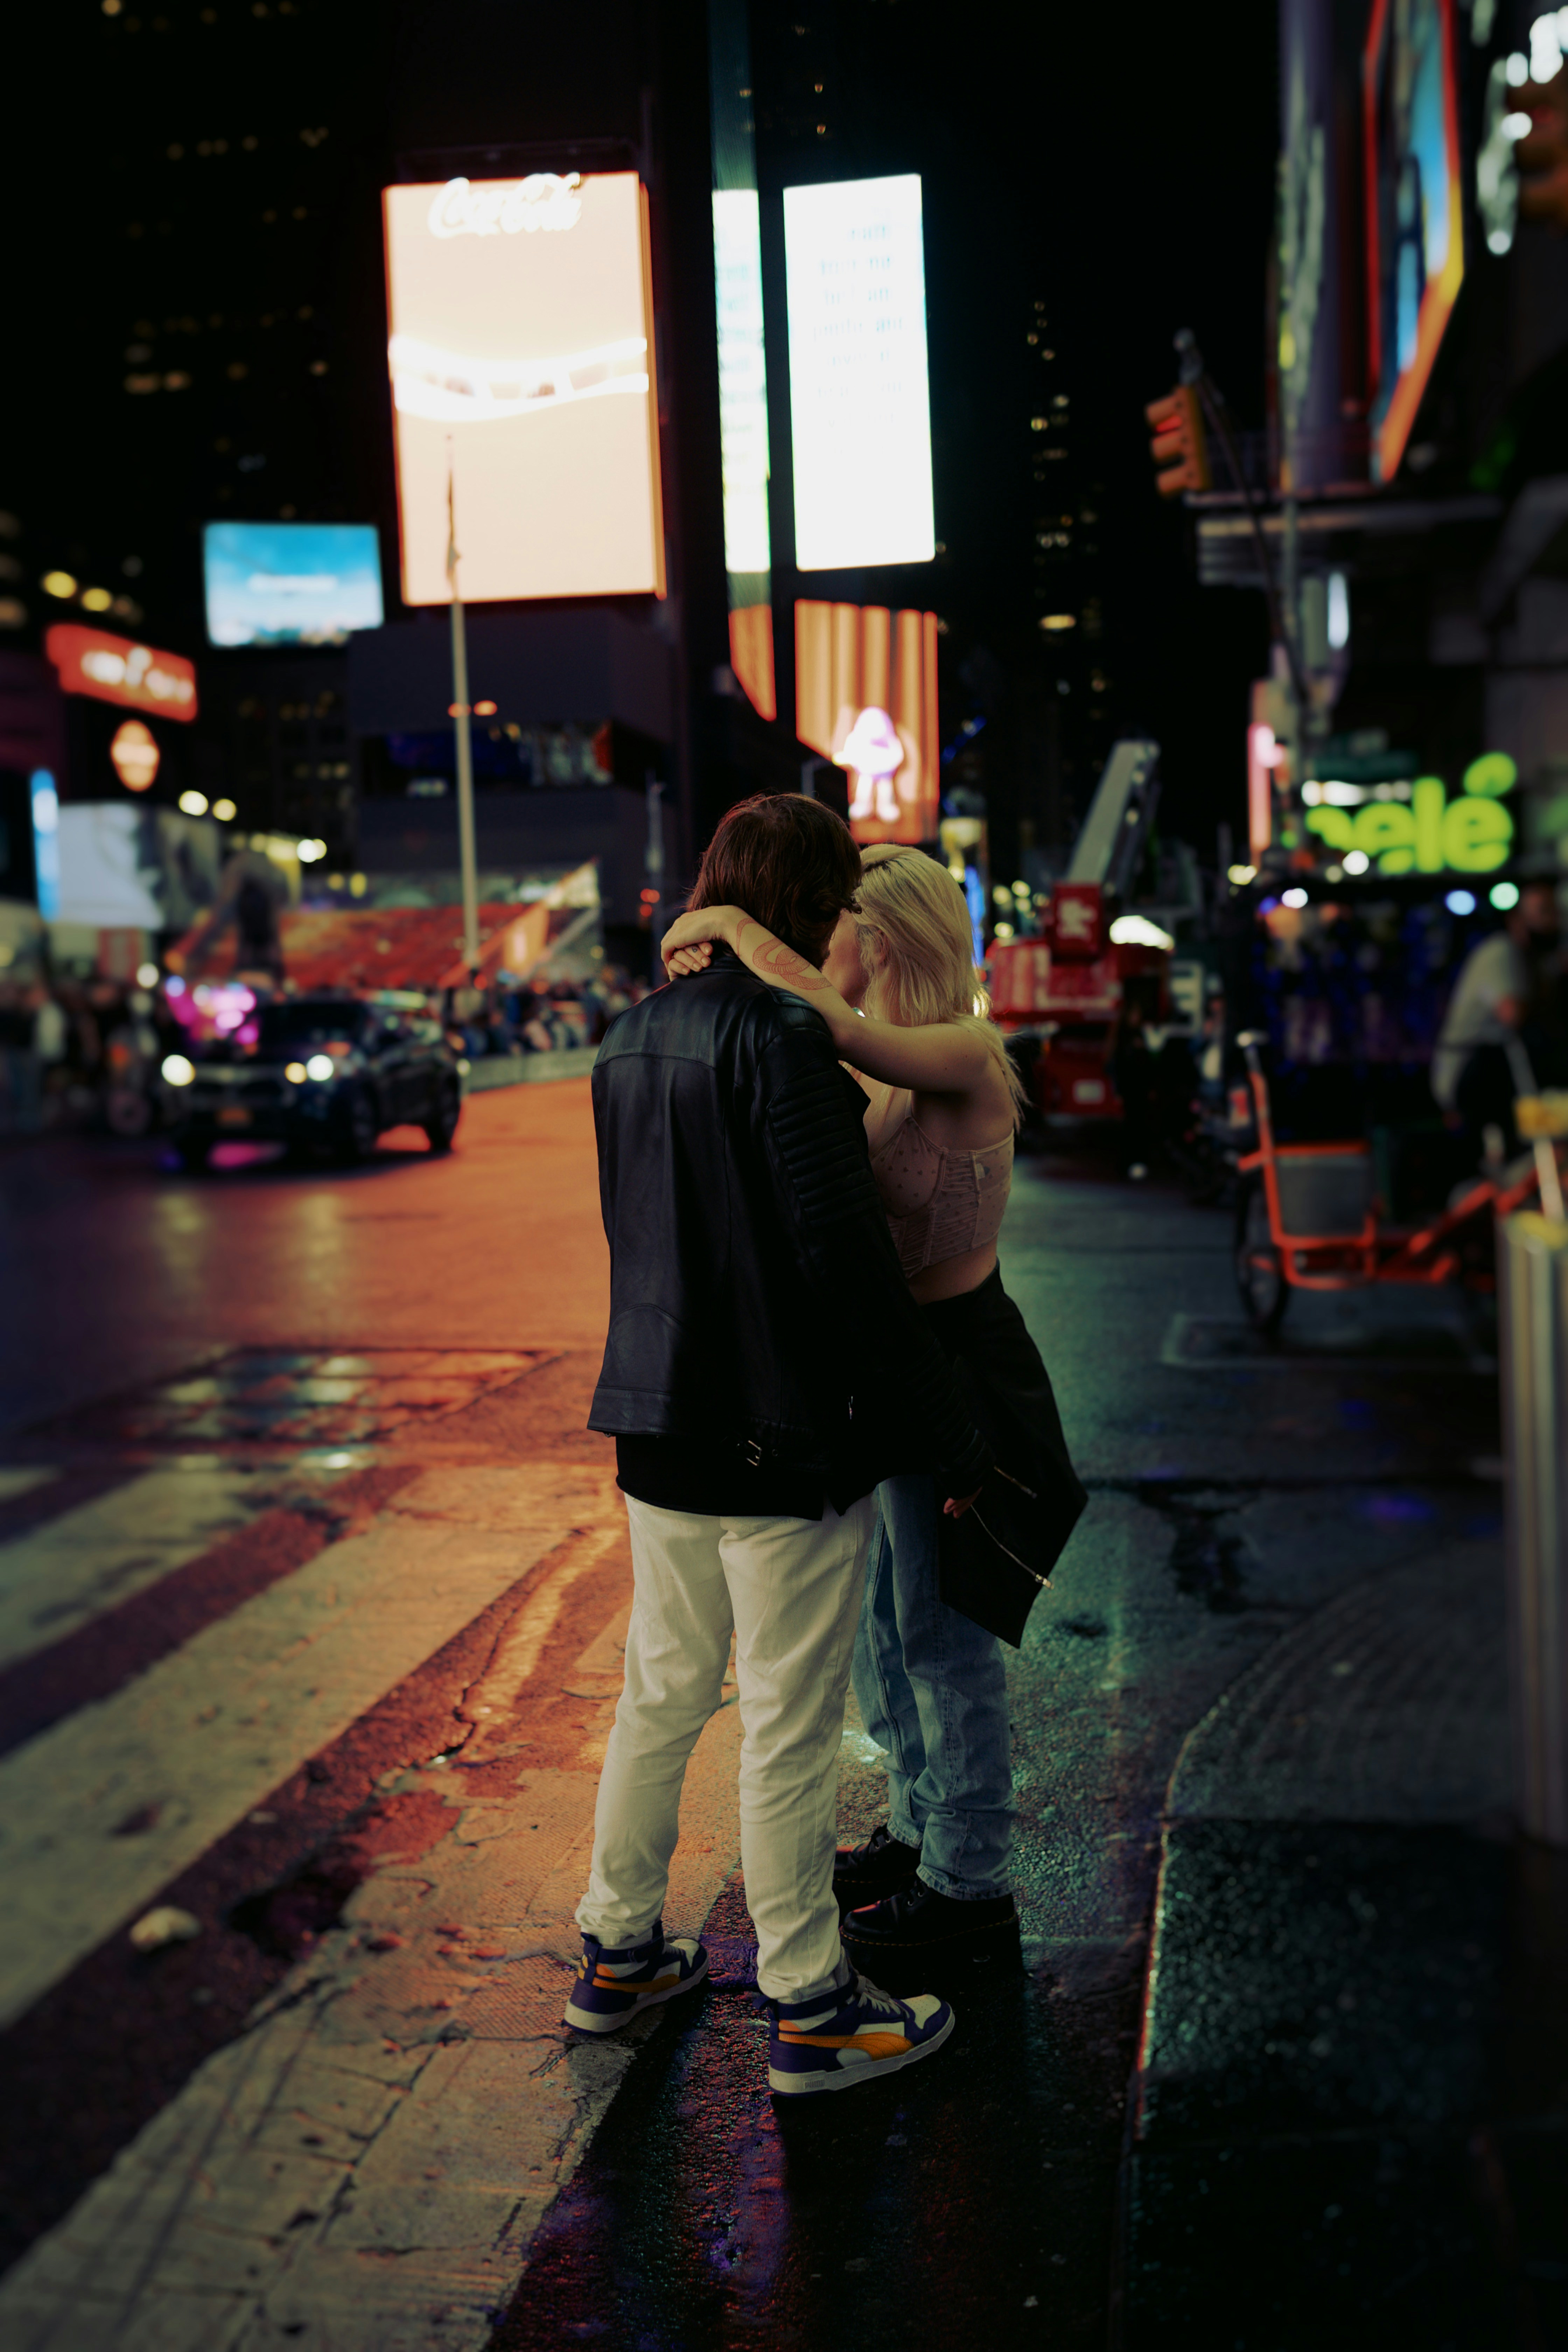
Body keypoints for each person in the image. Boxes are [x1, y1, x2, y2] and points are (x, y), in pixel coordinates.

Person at [570, 796, 992, 2097]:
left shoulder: (628, 1038)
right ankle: (812, 2000)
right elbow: (842, 1258)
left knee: (663, 1689)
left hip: (655, 1422)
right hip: (781, 1438)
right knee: (790, 1729)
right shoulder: (784, 1038)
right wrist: (943, 1426)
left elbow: (628, 1228)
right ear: (809, 904)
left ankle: (619, 1943)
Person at [663, 842, 1074, 1989]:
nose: (825, 943)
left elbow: (826, 1025)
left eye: (838, 922)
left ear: (879, 937)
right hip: (903, 1365)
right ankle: (917, 1825)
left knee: (949, 1638)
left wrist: (731, 932)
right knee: (891, 1634)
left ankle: (972, 1885)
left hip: (964, 1362)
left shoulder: (963, 1053)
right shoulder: (904, 1066)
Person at [1430, 880, 1566, 1156]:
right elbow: (1513, 1015)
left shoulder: (1535, 959)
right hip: (1468, 1070)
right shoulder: (1502, 952)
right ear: (1517, 919)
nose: (1552, 922)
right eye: (1543, 912)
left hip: (1505, 1067)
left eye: (1555, 912)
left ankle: (1545, 1161)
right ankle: (1521, 1168)